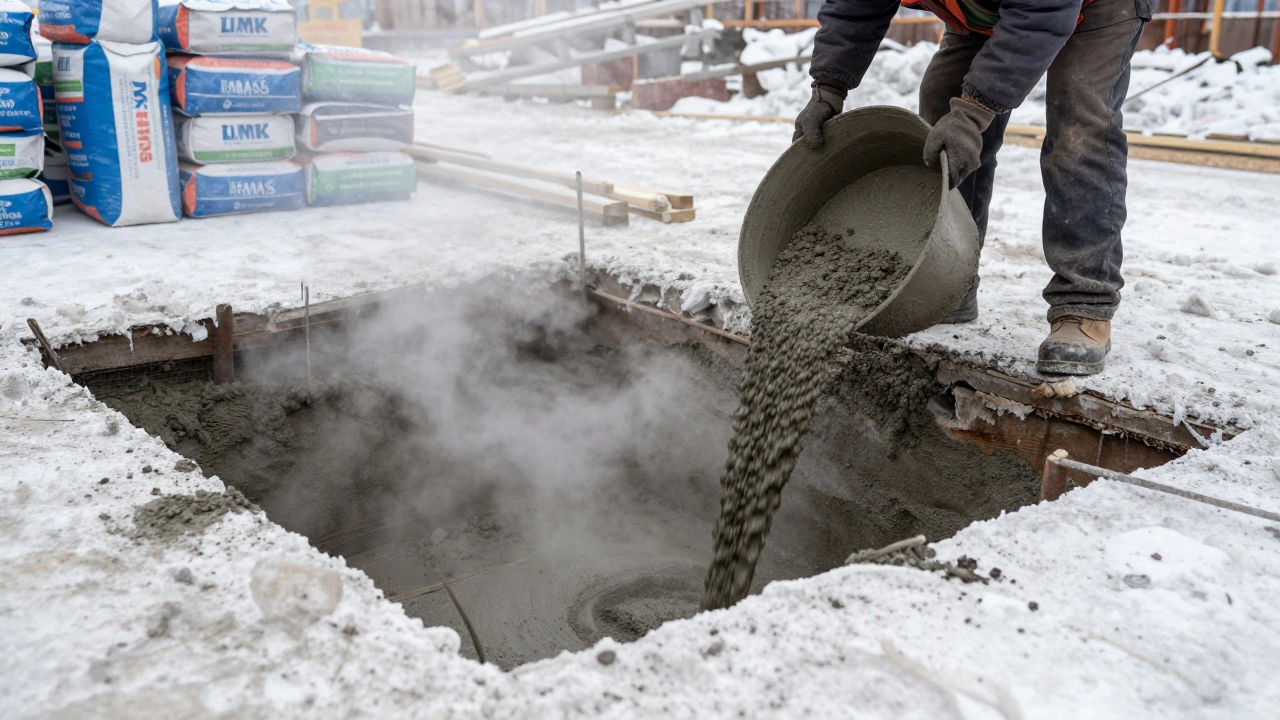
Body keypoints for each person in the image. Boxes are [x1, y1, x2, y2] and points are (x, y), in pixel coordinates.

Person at [794, 0, 1152, 375]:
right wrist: (828, 89)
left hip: (1095, 6)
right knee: (941, 103)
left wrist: (972, 114)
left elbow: (1043, 14)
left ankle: (1084, 305)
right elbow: (854, 7)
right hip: (992, 11)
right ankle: (952, 280)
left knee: (1078, 129)